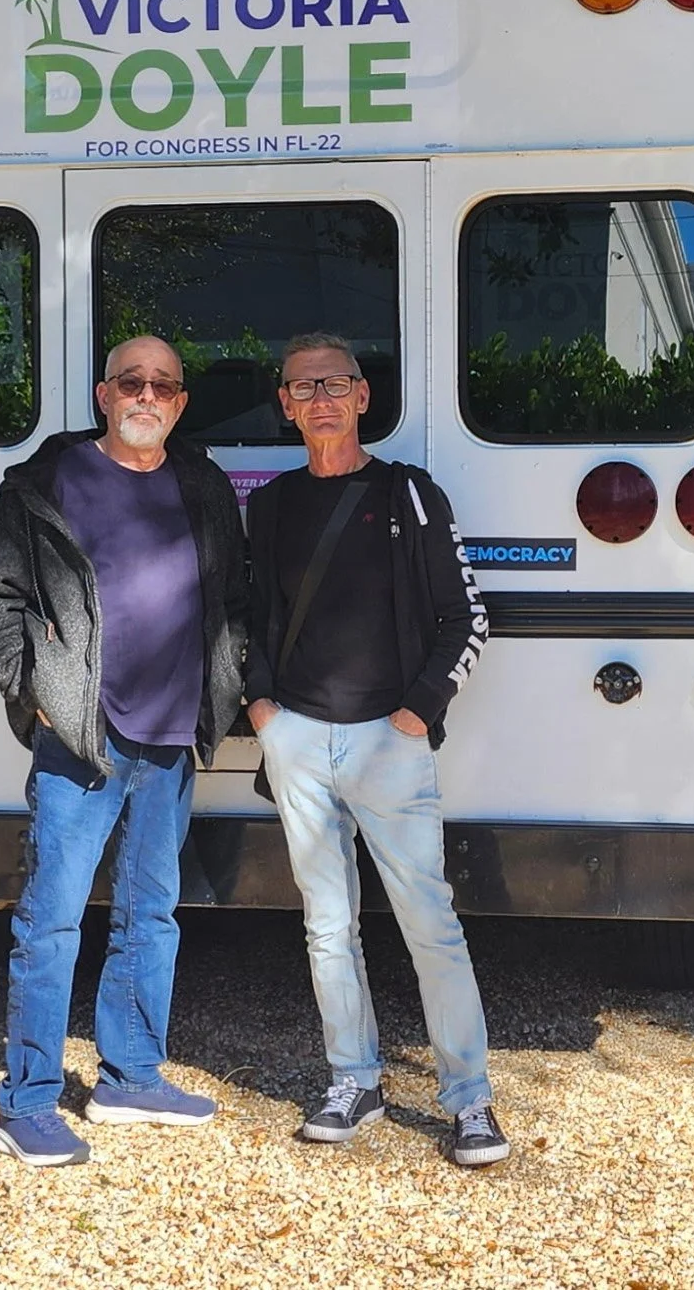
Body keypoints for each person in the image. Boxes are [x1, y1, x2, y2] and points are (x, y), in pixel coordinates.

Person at [0, 335, 246, 1167]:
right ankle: (29, 1102)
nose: (147, 394)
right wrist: (36, 689)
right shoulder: (46, 485)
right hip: (81, 740)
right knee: (50, 922)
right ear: (104, 393)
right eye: (131, 381)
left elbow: (234, 595)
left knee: (150, 915)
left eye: (163, 384)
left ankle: (129, 1076)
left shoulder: (203, 484)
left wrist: (225, 683)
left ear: (180, 403)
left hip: (171, 739)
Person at [244, 331, 507, 1168]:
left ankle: (470, 1103)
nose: (319, 399)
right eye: (302, 387)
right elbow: (245, 618)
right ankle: (352, 1082)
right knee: (328, 927)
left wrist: (416, 712)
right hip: (297, 739)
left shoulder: (409, 494)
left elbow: (467, 616)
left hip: (390, 744)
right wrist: (261, 712)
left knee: (431, 924)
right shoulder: (274, 504)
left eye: (335, 384)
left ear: (363, 397)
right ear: (284, 406)